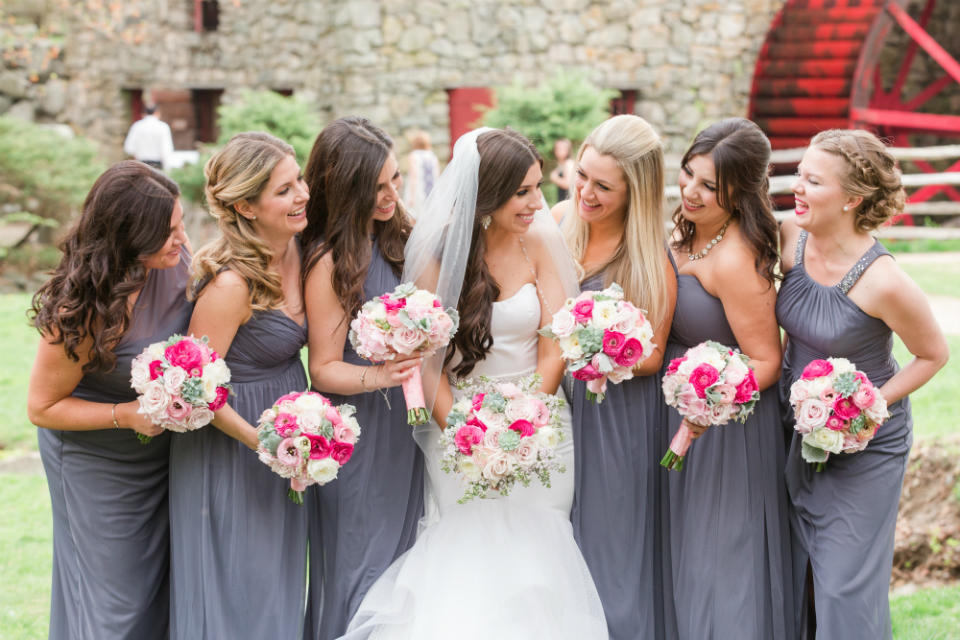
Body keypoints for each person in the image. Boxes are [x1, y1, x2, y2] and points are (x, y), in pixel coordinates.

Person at [340, 128, 608, 639]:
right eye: (521, 192)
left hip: (543, 428)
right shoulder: (443, 257)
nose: (536, 203)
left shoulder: (539, 246)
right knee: (471, 559)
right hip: (460, 429)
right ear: (488, 196)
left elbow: (556, 340)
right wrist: (468, 433)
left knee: (540, 562)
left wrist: (526, 421)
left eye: (537, 187)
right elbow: (424, 362)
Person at [778, 129, 949, 640]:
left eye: (813, 180)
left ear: (852, 199)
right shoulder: (790, 237)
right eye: (799, 174)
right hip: (793, 429)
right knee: (800, 575)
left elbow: (933, 354)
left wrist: (864, 404)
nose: (797, 188)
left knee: (844, 587)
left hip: (866, 444)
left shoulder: (883, 279)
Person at [27, 161, 191, 640]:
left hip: (161, 451)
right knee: (115, 602)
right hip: (95, 459)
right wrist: (127, 416)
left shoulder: (175, 260)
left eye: (182, 224)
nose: (182, 240)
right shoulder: (78, 305)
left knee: (159, 590)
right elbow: (41, 408)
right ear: (127, 236)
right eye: (168, 232)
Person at [168, 131, 311, 640]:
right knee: (238, 590)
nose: (302, 195)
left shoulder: (300, 249)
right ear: (247, 207)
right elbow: (194, 390)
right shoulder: (230, 285)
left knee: (277, 585)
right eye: (284, 190)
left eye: (299, 181)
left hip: (286, 445)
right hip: (232, 448)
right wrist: (267, 444)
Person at [662, 118, 793, 640]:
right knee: (687, 558)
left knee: (721, 565)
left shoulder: (737, 258)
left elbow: (766, 360)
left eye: (709, 186)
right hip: (680, 422)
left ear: (740, 191)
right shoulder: (685, 234)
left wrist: (707, 401)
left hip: (726, 432)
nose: (691, 192)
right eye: (688, 175)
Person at [552, 114, 678, 640]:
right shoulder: (558, 221)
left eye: (603, 186)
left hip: (617, 419)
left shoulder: (649, 258)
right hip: (555, 406)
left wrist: (597, 347)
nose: (586, 192)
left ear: (636, 192)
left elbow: (652, 355)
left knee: (611, 549)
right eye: (583, 175)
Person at [299, 116, 425, 640]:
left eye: (394, 179)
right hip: (358, 434)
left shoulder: (404, 238)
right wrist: (384, 375)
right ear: (343, 189)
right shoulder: (330, 261)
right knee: (359, 566)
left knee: (406, 568)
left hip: (409, 432)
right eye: (375, 187)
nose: (390, 194)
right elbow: (324, 367)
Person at [123, 105, 175, 171]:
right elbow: (166, 150)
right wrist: (167, 167)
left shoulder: (137, 126)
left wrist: (138, 152)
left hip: (140, 164)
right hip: (157, 165)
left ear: (144, 113)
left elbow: (128, 148)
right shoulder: (163, 127)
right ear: (157, 112)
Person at [402, 129, 440, 219]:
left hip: (417, 192)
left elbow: (413, 176)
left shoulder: (413, 156)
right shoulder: (433, 156)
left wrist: (411, 196)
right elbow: (437, 176)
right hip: (431, 193)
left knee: (413, 218)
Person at [550, 138, 575, 210]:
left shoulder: (568, 163)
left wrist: (554, 178)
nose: (557, 151)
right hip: (562, 199)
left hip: (567, 201)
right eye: (556, 148)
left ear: (567, 150)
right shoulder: (561, 163)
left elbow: (568, 184)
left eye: (561, 149)